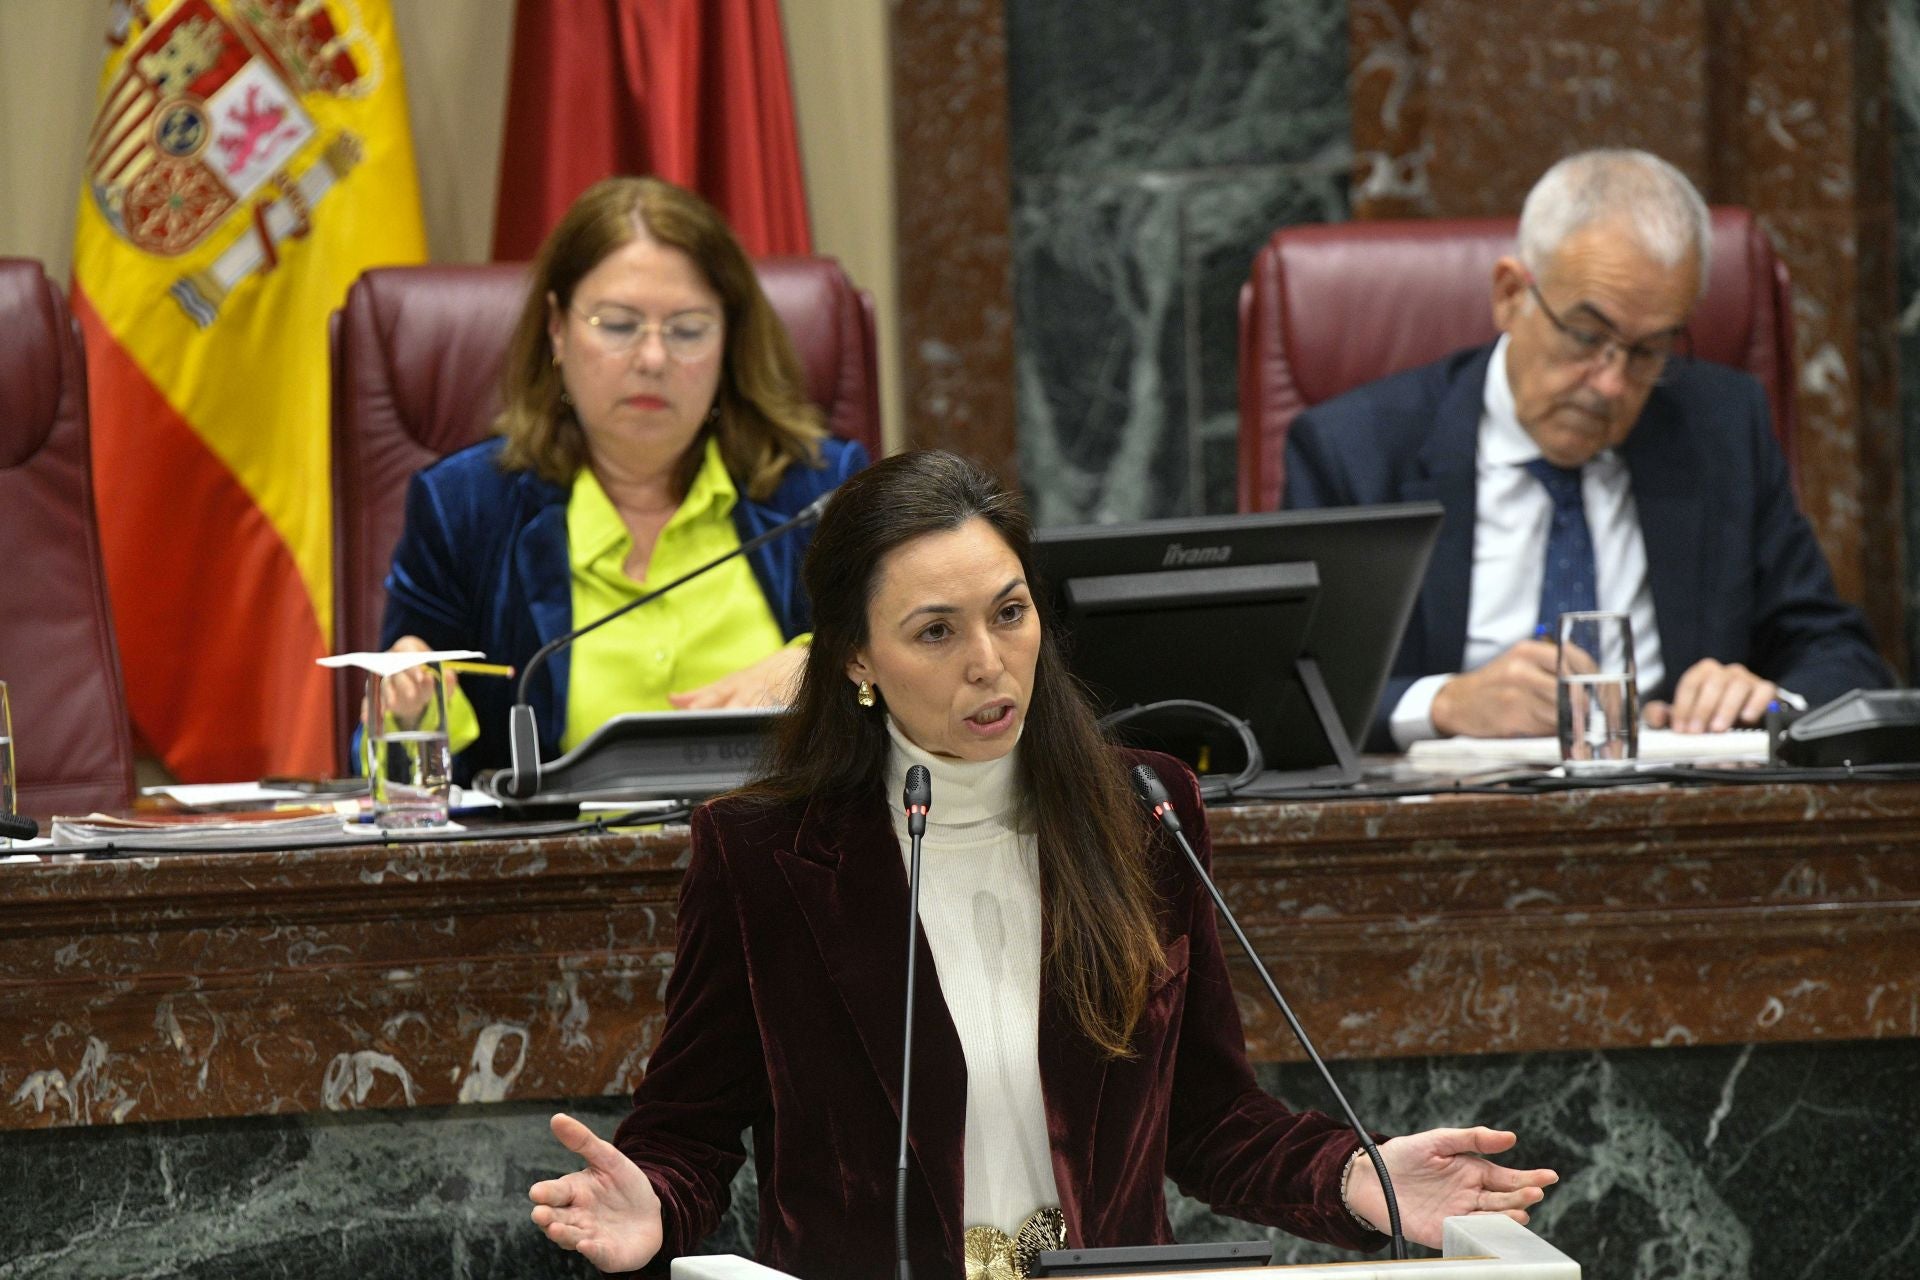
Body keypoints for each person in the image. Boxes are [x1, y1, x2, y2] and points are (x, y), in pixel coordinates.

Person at [527, 450, 1557, 1278]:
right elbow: (694, 1128)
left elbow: (1207, 1114)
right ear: (854, 657)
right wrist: (653, 1203)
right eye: (935, 630)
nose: (987, 659)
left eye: (1008, 611)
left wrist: (1355, 1176)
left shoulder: (1144, 809)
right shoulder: (763, 852)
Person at [1284, 149, 1890, 750]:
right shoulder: (1354, 450)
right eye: (1586, 336)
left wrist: (1771, 699)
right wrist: (1444, 703)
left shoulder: (1722, 428)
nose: (1610, 384)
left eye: (1648, 350)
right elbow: (1285, 687)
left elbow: (1838, 653)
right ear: (1510, 295)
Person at [378, 176, 867, 783]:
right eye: (617, 325)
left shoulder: (822, 495)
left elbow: (911, 691)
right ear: (558, 329)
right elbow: (391, 779)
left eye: (687, 329)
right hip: (554, 873)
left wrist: (815, 665)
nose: (654, 359)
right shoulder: (464, 510)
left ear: (728, 340)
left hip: (790, 866)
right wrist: (410, 711)